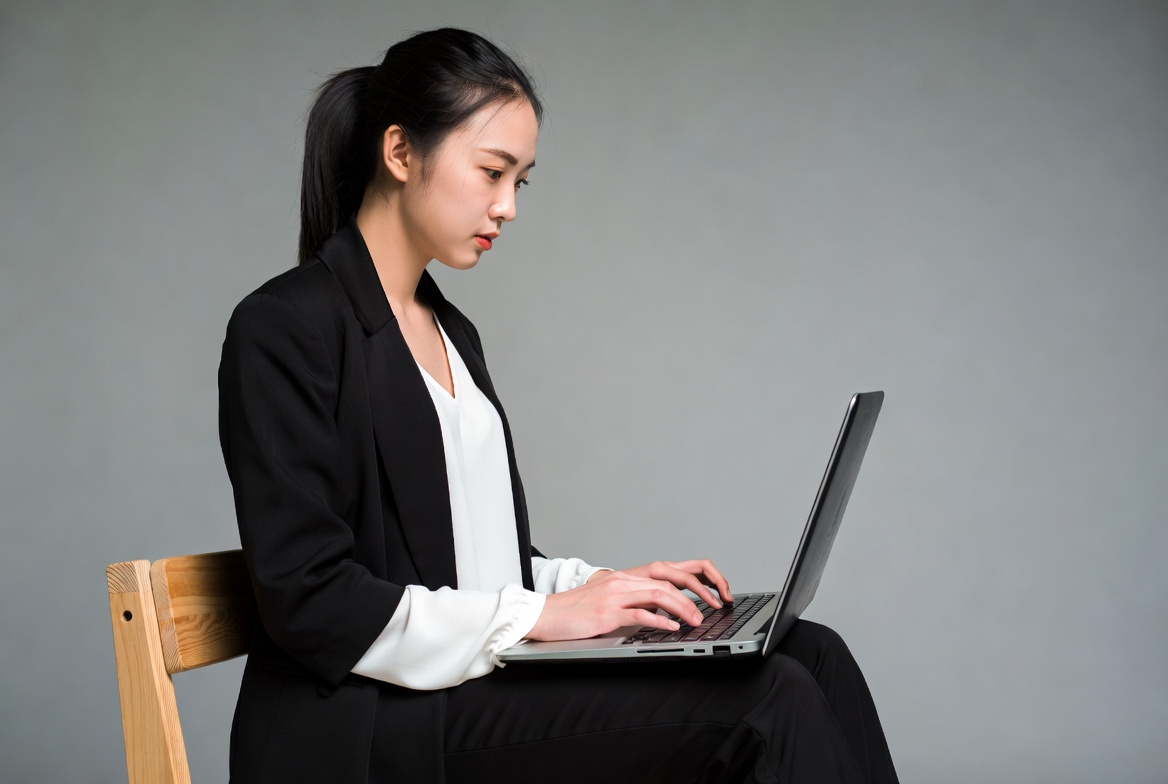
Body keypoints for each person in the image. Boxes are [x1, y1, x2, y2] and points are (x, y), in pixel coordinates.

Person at [218, 27, 899, 784]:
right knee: (765, 701)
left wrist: (608, 591)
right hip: (367, 727)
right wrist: (551, 618)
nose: (507, 206)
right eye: (491, 172)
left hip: (467, 693)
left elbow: (477, 564)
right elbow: (311, 598)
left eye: (522, 181)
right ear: (401, 153)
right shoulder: (285, 326)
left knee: (814, 652)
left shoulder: (450, 332)